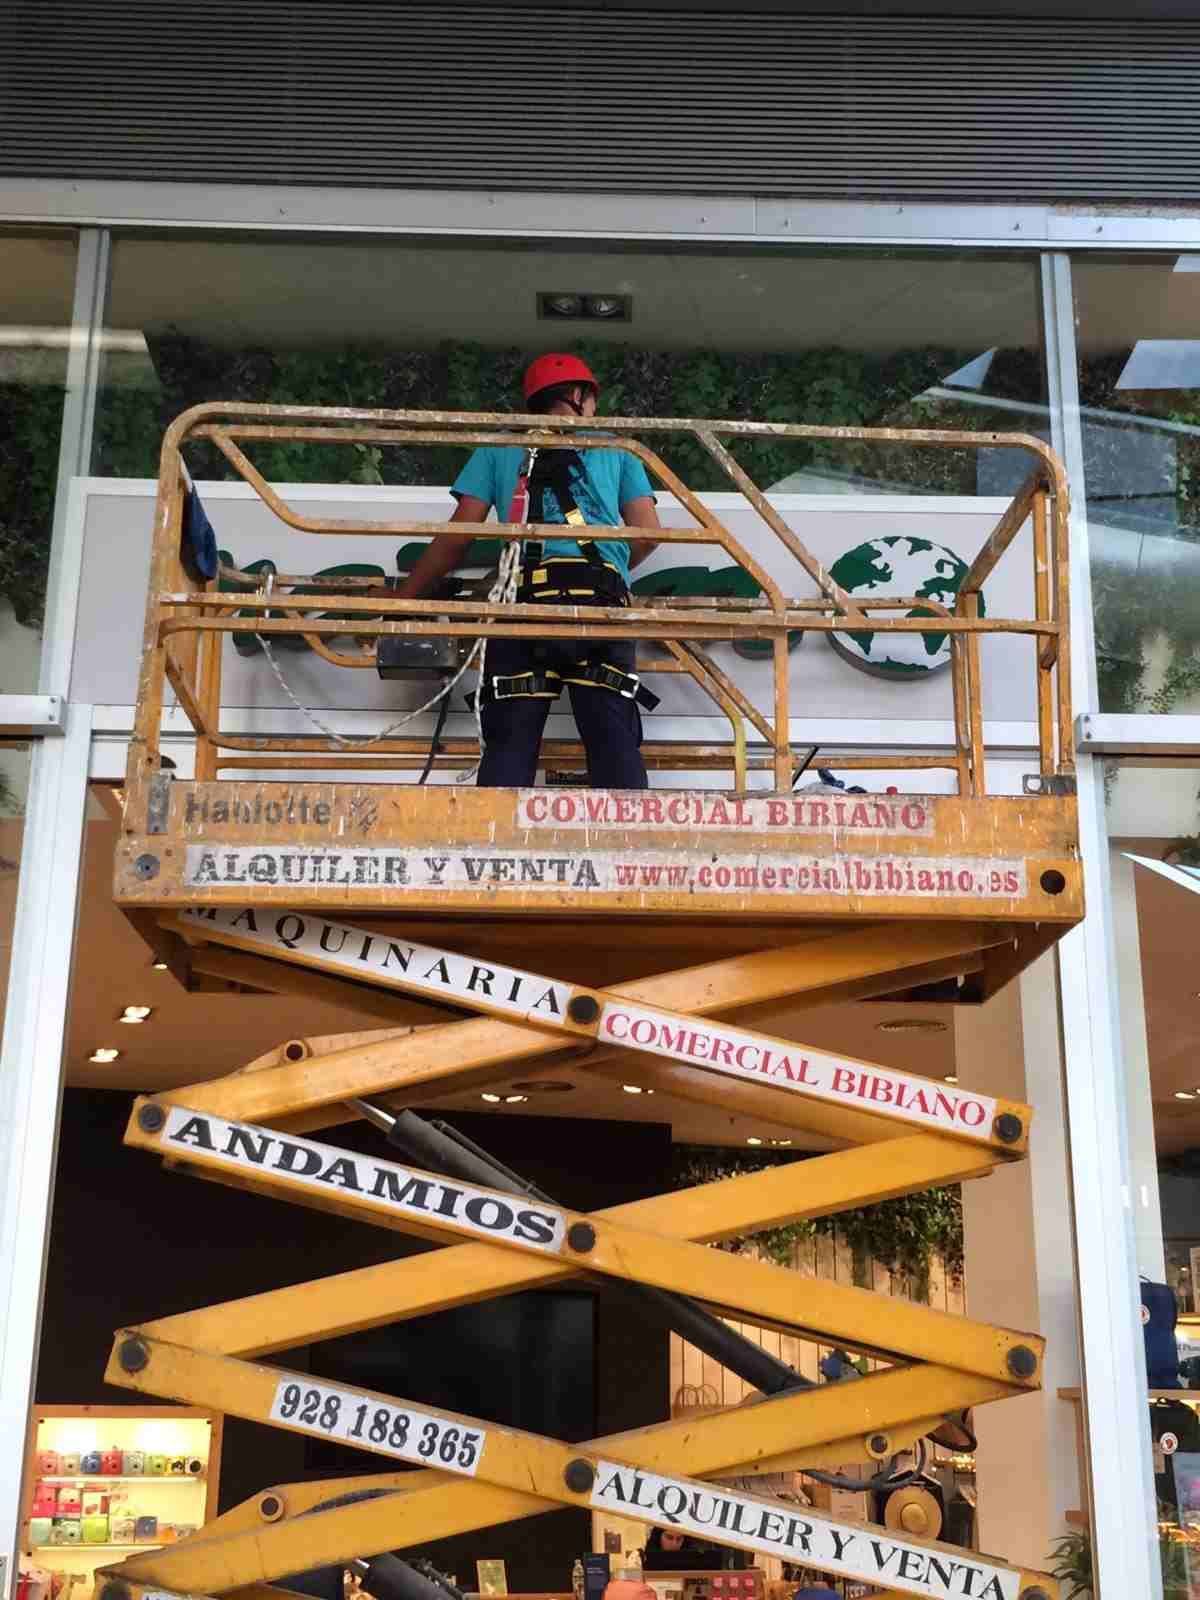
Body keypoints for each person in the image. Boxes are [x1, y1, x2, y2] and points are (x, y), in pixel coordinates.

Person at [396, 353, 662, 788]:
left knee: (510, 745)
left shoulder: (499, 449)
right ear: (579, 395)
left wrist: (404, 599)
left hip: (525, 607)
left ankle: (496, 850)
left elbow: (457, 537)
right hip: (599, 611)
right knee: (613, 741)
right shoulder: (621, 450)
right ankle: (630, 843)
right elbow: (649, 535)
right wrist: (607, 571)